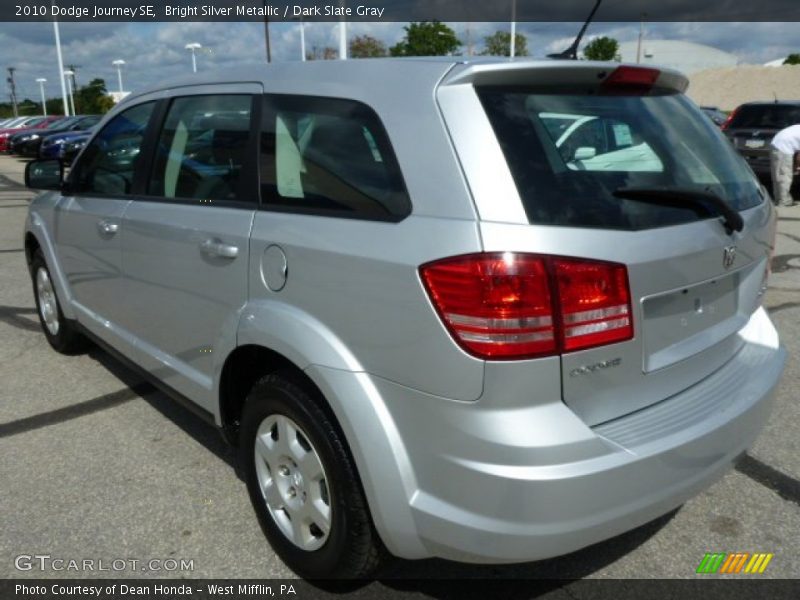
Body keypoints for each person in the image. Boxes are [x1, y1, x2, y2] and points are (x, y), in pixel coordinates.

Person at [770, 124, 800, 207]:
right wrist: (797, 167)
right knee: (785, 176)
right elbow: (799, 157)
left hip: (777, 145)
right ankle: (784, 202)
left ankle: (779, 200)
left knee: (778, 176)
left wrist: (796, 166)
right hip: (783, 148)